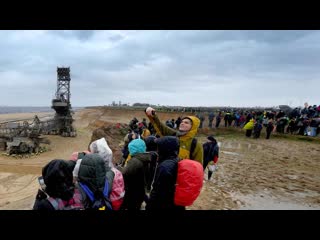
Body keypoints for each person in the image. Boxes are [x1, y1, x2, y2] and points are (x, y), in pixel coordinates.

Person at [146, 136, 185, 210]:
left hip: (164, 204)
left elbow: (158, 191)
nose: (157, 149)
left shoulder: (165, 167)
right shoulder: (176, 160)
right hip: (173, 202)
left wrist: (150, 205)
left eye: (159, 146)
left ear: (165, 148)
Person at [120, 139, 151, 210]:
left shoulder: (135, 161)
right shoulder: (144, 159)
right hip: (139, 193)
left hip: (131, 194)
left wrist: (119, 170)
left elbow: (125, 174)